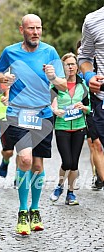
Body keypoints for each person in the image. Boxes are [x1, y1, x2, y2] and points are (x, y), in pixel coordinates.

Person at [0, 14, 67, 235]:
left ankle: (35, 210)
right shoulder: (10, 51)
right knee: (24, 159)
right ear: (22, 30)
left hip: (43, 115)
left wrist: (53, 77)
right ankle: (23, 211)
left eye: (38, 28)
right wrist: (3, 79)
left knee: (37, 166)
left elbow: (63, 86)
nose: (35, 32)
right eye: (31, 28)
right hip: (18, 113)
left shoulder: (50, 52)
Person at [50, 52, 91, 205]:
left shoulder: (83, 85)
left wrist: (84, 107)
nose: (71, 67)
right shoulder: (57, 85)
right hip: (62, 127)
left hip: (79, 127)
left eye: (73, 64)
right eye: (68, 64)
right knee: (67, 162)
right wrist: (55, 110)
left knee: (74, 163)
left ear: (77, 67)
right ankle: (59, 185)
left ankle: (71, 193)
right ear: (63, 67)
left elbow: (89, 107)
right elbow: (52, 103)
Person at [78, 7, 104, 186]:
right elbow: (84, 57)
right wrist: (89, 76)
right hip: (102, 100)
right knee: (99, 148)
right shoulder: (93, 20)